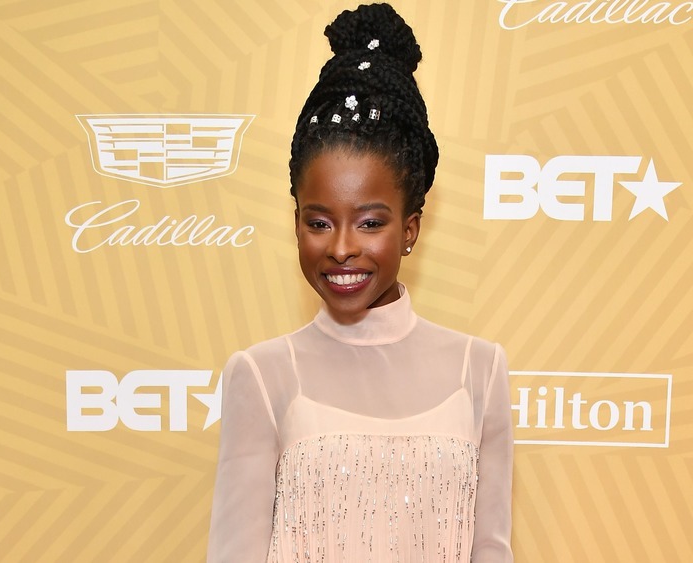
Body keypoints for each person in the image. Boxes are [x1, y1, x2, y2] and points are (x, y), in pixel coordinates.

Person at [207, 4, 513, 562]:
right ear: (295, 222)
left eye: (370, 222)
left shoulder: (482, 371)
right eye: (318, 221)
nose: (341, 246)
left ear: (410, 227)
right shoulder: (261, 375)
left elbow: (492, 550)